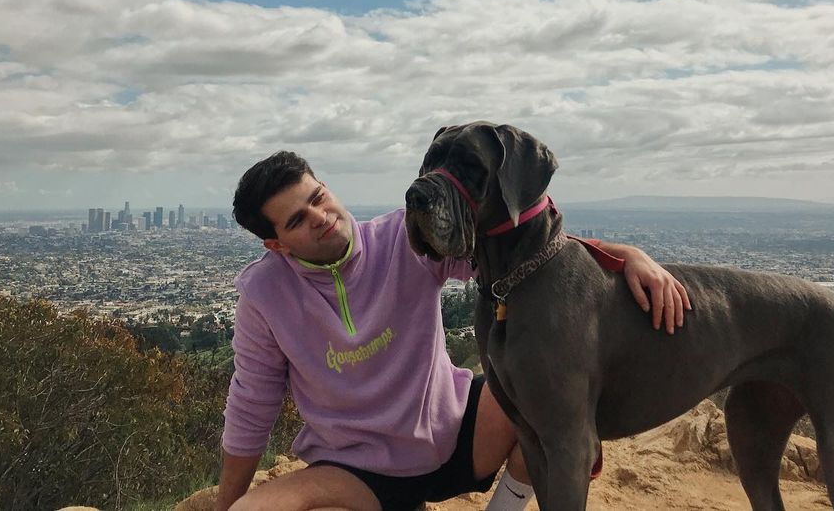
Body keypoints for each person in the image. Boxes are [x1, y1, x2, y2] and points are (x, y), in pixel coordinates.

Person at [218, 150, 691, 511]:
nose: (320, 217)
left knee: (551, 406)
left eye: (317, 197)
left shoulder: (404, 240)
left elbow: (528, 257)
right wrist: (227, 501)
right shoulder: (264, 295)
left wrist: (620, 254)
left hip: (456, 435)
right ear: (276, 244)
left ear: (326, 187)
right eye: (298, 219)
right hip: (354, 468)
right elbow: (252, 404)